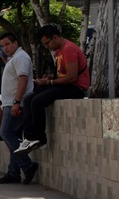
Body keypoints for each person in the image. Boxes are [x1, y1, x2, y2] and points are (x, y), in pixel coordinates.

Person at [14, 24, 90, 155]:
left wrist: (49, 82)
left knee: (37, 102)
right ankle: (28, 137)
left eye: (47, 43)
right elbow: (63, 74)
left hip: (76, 88)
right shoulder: (60, 51)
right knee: (28, 100)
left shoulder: (69, 49)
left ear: (55, 37)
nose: (47, 47)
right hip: (65, 85)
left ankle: (39, 138)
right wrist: (48, 79)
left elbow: (72, 77)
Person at [0, 32, 38, 184]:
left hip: (16, 103)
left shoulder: (21, 57)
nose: (5, 48)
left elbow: (23, 79)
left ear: (15, 43)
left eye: (7, 44)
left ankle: (27, 165)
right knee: (12, 136)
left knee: (6, 133)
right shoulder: (14, 58)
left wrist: (16, 102)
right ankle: (13, 172)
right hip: (9, 102)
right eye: (3, 46)